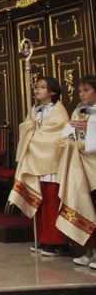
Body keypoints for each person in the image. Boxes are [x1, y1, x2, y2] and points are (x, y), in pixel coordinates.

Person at [8, 76, 70, 256]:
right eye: (36, 87)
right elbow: (27, 131)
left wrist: (36, 135)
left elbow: (56, 136)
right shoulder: (34, 110)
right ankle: (43, 239)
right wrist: (30, 129)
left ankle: (58, 242)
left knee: (52, 201)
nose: (37, 90)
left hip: (51, 162)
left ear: (52, 92)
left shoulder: (59, 112)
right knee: (40, 202)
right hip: (36, 161)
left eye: (42, 87)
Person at [55, 75, 96, 266]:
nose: (82, 94)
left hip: (93, 165)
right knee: (85, 204)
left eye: (86, 90)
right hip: (79, 164)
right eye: (80, 91)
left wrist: (91, 128)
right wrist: (68, 136)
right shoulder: (78, 111)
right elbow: (68, 134)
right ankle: (90, 250)